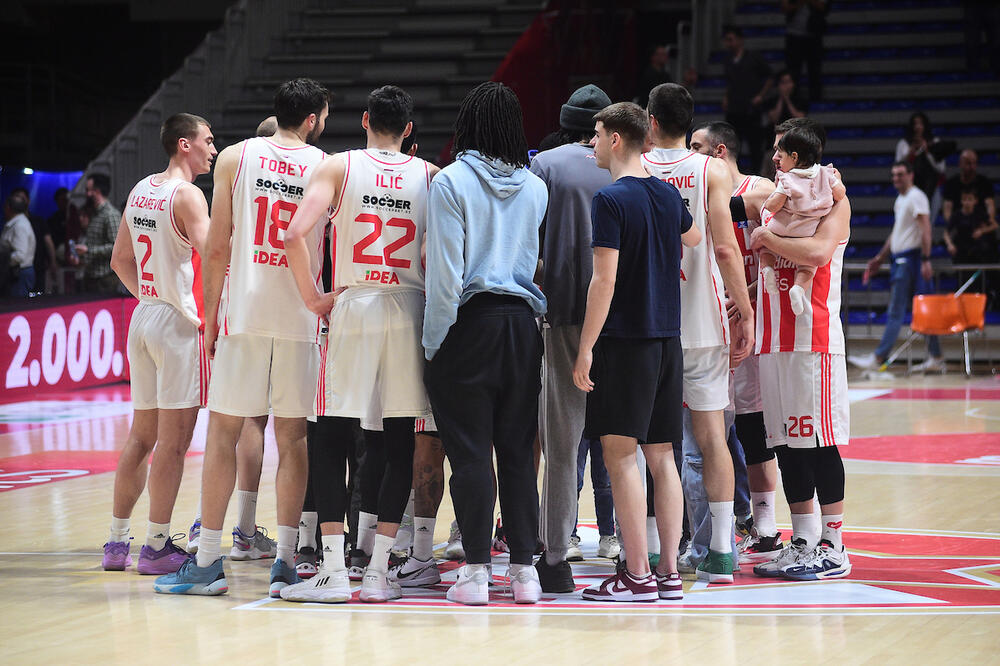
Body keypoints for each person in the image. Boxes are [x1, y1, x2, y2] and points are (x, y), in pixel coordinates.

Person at [153, 78, 330, 597]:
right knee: (293, 440)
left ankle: (208, 562)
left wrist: (208, 317)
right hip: (300, 316)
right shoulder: (327, 165)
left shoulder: (234, 156)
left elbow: (217, 248)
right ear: (315, 118)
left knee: (225, 435)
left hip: (243, 314)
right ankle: (286, 562)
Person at [278, 85, 437, 604]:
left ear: (366, 119)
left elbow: (294, 233)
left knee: (331, 435)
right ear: (409, 131)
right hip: (409, 306)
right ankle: (378, 573)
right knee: (398, 443)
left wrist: (313, 298)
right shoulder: (430, 174)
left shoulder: (339, 166)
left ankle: (330, 571)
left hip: (355, 302)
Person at [423, 81, 548, 606]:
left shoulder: (450, 182)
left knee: (471, 455)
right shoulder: (536, 187)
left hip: (468, 325)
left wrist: (433, 344)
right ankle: (525, 574)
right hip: (523, 326)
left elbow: (446, 276)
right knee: (519, 452)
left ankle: (475, 572)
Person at [572, 102, 700, 602]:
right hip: (669, 340)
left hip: (626, 342)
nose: (593, 144)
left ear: (617, 140)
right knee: (662, 455)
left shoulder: (610, 199)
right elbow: (691, 234)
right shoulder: (667, 196)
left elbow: (603, 280)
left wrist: (584, 349)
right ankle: (668, 572)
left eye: (598, 134)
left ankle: (638, 573)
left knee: (620, 455)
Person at [642, 83, 755, 583]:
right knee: (712, 439)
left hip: (648, 320)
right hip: (704, 319)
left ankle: (650, 549)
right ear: (689, 124)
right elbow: (728, 250)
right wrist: (746, 313)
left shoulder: (637, 165)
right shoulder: (709, 169)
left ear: (650, 120)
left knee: (650, 441)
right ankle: (723, 551)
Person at [102, 113, 216, 575]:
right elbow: (214, 256)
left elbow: (119, 260)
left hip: (144, 314)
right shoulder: (188, 195)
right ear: (184, 145)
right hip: (175, 324)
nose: (213, 148)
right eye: (207, 141)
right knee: (172, 443)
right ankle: (155, 547)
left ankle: (115, 542)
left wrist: (153, 294)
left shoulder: (141, 188)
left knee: (140, 436)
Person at [743, 117, 853, 580]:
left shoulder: (834, 203)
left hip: (814, 340)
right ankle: (803, 538)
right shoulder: (783, 197)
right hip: (773, 338)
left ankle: (834, 542)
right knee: (785, 444)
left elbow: (816, 254)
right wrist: (743, 297)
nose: (773, 156)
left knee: (818, 443)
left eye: (780, 148)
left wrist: (766, 237)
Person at [529, 83, 614, 594]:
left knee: (561, 443)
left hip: (564, 313)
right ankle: (643, 550)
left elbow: (529, 241)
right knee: (632, 443)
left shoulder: (547, 166)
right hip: (627, 321)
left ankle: (556, 557)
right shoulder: (632, 165)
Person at [688, 121, 784, 565]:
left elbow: (770, 200)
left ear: (720, 150)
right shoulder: (700, 188)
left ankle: (765, 525)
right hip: (709, 327)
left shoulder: (758, 186)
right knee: (710, 436)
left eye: (697, 148)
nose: (691, 154)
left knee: (754, 429)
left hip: (752, 327)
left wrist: (716, 202)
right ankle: (724, 525)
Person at [848, 161, 944, 373]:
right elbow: (896, 233)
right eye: (893, 175)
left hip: (912, 260)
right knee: (922, 310)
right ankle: (936, 357)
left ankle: (879, 358)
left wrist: (926, 259)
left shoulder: (916, 196)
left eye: (900, 174)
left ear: (911, 175)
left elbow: (926, 229)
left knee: (898, 312)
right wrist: (880, 258)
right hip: (901, 259)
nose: (896, 179)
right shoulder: (901, 199)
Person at [760, 126, 845, 315]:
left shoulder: (787, 178)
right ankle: (798, 288)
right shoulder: (826, 173)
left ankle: (768, 269)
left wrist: (767, 204)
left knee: (766, 247)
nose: (776, 160)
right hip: (808, 230)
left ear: (795, 157)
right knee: (807, 267)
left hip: (783, 227)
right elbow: (840, 194)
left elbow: (774, 205)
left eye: (780, 156)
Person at [721, 25, 772, 174]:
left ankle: (757, 175)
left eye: (731, 40)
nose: (728, 43)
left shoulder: (753, 57)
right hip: (734, 109)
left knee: (755, 147)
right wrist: (725, 97)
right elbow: (729, 82)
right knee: (732, 146)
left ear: (740, 40)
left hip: (751, 110)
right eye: (726, 40)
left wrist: (761, 96)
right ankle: (733, 175)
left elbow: (769, 77)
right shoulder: (728, 60)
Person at [895, 112, 947, 224]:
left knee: (928, 221)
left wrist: (928, 152)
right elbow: (897, 167)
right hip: (910, 188)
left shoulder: (935, 142)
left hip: (932, 188)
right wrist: (910, 153)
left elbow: (941, 168)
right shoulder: (904, 144)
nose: (918, 127)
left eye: (921, 124)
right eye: (915, 124)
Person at [76, 173, 124, 294]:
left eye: (89, 190)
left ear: (97, 191)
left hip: (105, 279)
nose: (87, 194)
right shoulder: (94, 213)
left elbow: (116, 248)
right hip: (91, 276)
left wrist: (88, 250)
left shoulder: (110, 215)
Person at [10, 187, 57, 293]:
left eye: (22, 198)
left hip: (37, 266)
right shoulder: (11, 222)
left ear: (28, 200)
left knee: (37, 300)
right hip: (18, 270)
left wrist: (53, 262)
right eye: (17, 198)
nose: (20, 201)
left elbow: (48, 242)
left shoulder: (37, 221)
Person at [782, 0, 828, 102]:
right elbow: (785, 8)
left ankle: (816, 100)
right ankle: (793, 100)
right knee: (793, 71)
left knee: (815, 70)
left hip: (814, 35)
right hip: (794, 36)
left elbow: (823, 7)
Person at [942, 149, 996, 229]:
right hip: (959, 225)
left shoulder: (984, 183)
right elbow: (947, 209)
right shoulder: (951, 184)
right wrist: (952, 225)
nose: (972, 167)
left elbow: (990, 206)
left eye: (974, 163)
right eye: (968, 163)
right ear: (960, 164)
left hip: (980, 225)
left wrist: (987, 223)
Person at [945, 188, 999, 263]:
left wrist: (982, 231)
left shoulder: (980, 213)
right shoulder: (956, 215)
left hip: (977, 247)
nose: (967, 202)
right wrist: (949, 244)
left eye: (970, 199)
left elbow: (995, 225)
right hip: (961, 247)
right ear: (961, 201)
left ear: (975, 201)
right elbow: (946, 233)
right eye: (964, 199)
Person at [0, 191, 36, 297]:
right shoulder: (15, 223)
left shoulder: (20, 226)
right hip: (15, 272)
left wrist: (3, 262)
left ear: (9, 208)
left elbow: (20, 255)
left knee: (17, 306)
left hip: (20, 273)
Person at [634, 44, 672, 109]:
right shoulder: (648, 74)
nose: (665, 56)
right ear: (653, 57)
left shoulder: (665, 74)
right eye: (662, 54)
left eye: (665, 54)